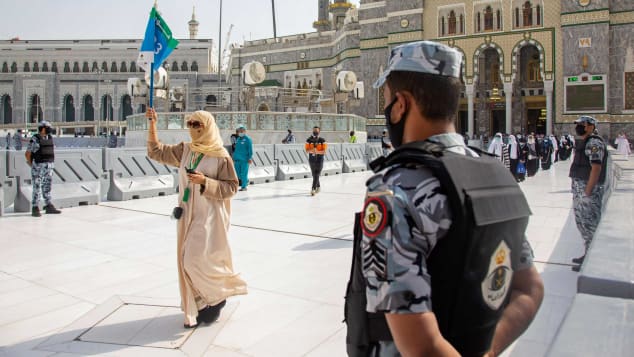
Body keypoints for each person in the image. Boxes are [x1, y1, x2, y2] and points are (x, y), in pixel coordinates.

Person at [353, 41, 543, 357]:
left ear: (400, 104)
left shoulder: (396, 190)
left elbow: (421, 347)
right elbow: (529, 289)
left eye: (387, 100)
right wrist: (485, 350)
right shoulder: (494, 174)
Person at [146, 108, 247, 328]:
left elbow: (232, 187)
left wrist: (204, 182)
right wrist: (153, 124)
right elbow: (156, 151)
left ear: (207, 126)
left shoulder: (220, 156)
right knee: (187, 261)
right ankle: (202, 303)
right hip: (187, 213)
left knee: (193, 260)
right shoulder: (185, 150)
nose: (192, 129)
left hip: (210, 215)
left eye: (197, 125)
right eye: (189, 124)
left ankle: (217, 297)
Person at [569, 116, 608, 272]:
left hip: (589, 194)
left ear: (591, 127)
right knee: (584, 225)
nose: (578, 127)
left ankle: (594, 263)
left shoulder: (594, 143)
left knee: (590, 226)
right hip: (582, 193)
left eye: (581, 125)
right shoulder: (586, 142)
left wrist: (588, 191)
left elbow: (596, 168)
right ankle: (588, 255)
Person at [25, 121, 62, 217]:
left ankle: (48, 205)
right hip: (38, 166)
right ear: (43, 128)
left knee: (47, 186)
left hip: (49, 167)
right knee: (37, 187)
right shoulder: (35, 139)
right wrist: (32, 164)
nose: (50, 129)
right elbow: (28, 154)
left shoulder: (49, 138)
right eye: (48, 127)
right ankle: (35, 207)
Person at [305, 126, 327, 196]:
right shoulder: (308, 140)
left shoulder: (322, 140)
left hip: (320, 159)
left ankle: (313, 189)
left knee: (317, 173)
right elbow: (307, 150)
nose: (315, 132)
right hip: (312, 159)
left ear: (319, 131)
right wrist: (312, 150)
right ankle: (318, 186)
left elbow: (324, 152)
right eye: (314, 130)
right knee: (314, 174)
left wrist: (317, 152)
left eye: (317, 131)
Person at [232, 125, 253, 191]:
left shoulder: (248, 139)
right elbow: (236, 149)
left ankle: (244, 187)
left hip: (245, 160)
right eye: (239, 131)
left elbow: (250, 149)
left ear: (245, 131)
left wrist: (250, 158)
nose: (240, 132)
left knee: (244, 173)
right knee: (237, 174)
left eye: (242, 131)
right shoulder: (238, 139)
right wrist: (233, 158)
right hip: (237, 160)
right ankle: (246, 180)